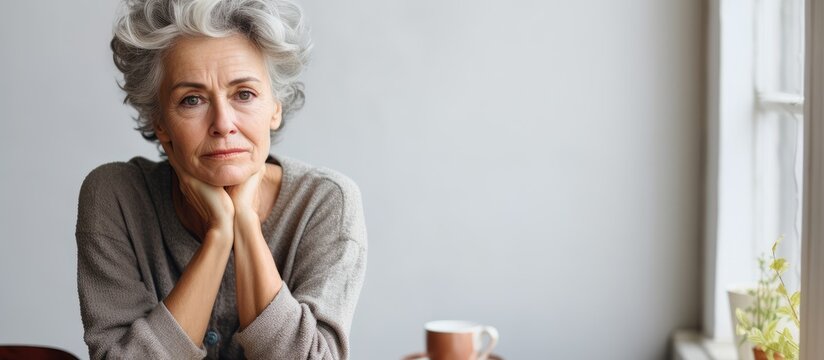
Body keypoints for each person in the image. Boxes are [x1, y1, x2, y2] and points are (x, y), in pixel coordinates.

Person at [75, 0, 367, 359]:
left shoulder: (326, 203)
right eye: (192, 100)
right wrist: (219, 236)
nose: (223, 123)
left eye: (244, 94)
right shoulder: (114, 197)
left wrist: (244, 223)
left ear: (275, 107)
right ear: (159, 120)